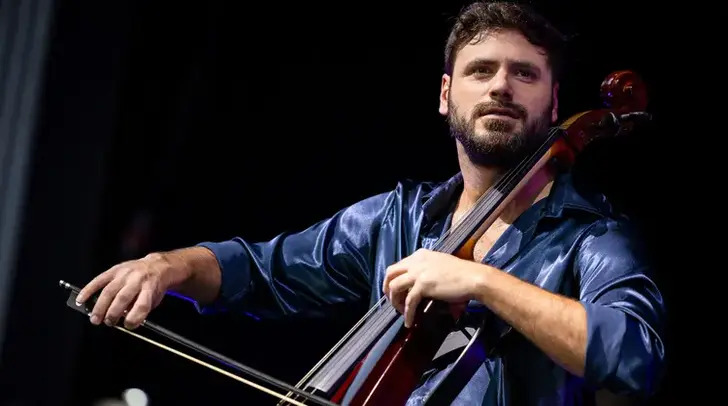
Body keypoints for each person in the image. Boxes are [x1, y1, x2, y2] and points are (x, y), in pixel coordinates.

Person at [76, 1, 666, 404]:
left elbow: (635, 356)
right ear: (446, 95)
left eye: (525, 74)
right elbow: (261, 271)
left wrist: (483, 283)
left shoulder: (593, 236)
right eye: (481, 70)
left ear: (554, 102)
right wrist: (168, 265)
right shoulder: (395, 219)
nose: (500, 86)